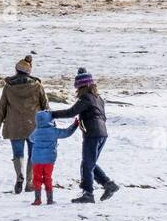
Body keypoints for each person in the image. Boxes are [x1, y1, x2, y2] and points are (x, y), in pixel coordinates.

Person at [50, 69, 118, 203]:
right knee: (89, 163)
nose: (77, 90)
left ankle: (88, 193)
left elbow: (71, 112)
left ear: (83, 86)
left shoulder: (86, 98)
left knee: (87, 164)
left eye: (78, 87)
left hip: (92, 134)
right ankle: (108, 184)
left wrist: (52, 114)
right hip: (101, 133)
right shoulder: (98, 98)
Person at [0, 55, 48, 194]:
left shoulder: (8, 87)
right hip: (33, 125)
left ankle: (19, 177)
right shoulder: (37, 86)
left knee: (18, 153)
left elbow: (2, 108)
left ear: (17, 70)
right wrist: (49, 125)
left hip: (14, 125)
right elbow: (45, 106)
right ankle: (29, 182)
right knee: (33, 154)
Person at [28, 110, 79, 206]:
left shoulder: (36, 131)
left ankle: (37, 199)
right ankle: (49, 199)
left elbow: (30, 138)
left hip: (36, 160)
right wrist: (75, 125)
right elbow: (67, 133)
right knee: (47, 178)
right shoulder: (53, 131)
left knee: (37, 178)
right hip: (49, 160)